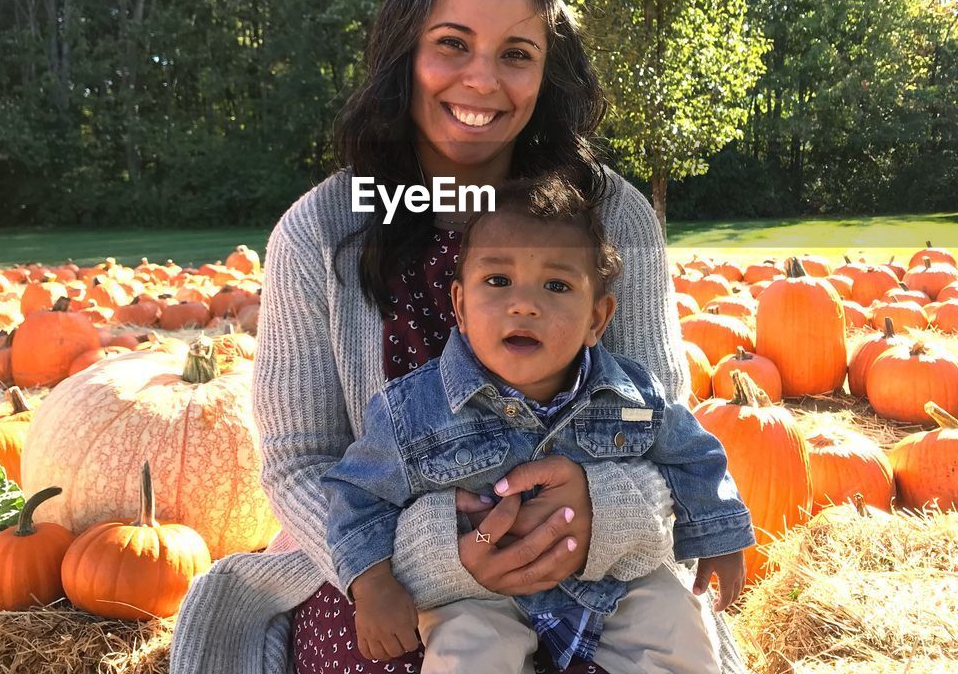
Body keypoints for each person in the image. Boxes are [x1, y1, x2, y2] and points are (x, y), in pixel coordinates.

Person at [168, 0, 752, 674]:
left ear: (548, 73)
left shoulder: (613, 217)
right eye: (452, 44)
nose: (481, 80)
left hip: (603, 569)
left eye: (516, 54)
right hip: (390, 574)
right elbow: (300, 462)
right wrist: (446, 557)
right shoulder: (324, 230)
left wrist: (596, 513)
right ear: (406, 50)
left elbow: (662, 425)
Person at [323, 174, 755, 673]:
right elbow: (355, 493)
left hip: (613, 578)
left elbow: (692, 454)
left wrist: (720, 532)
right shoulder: (411, 410)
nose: (524, 303)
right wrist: (372, 582)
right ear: (460, 306)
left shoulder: (633, 395)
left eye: (556, 285)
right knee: (467, 657)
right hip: (479, 595)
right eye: (498, 281)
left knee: (679, 628)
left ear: (597, 317)